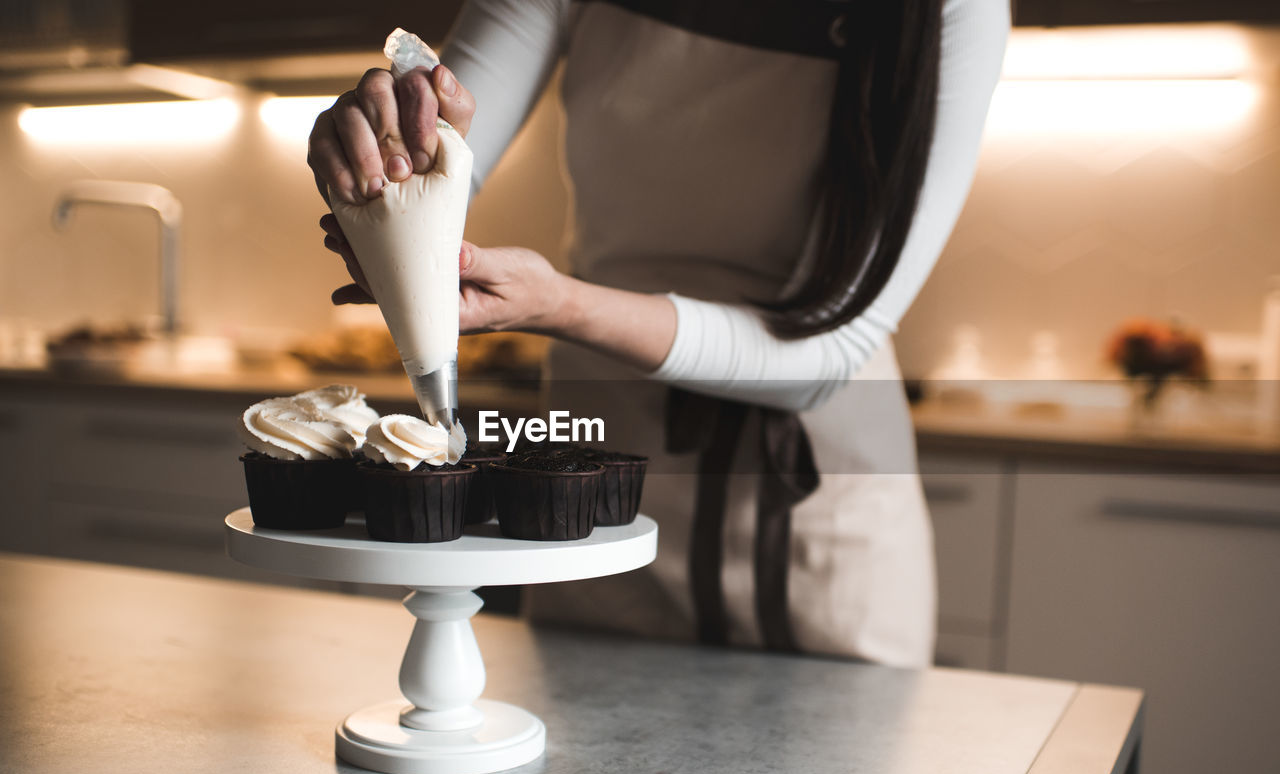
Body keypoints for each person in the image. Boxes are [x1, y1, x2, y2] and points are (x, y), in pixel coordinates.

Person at [309, 0, 1009, 666]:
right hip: (595, 492)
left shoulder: (954, 10)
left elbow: (827, 355)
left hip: (819, 521)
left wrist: (564, 305)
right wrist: (382, 170)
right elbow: (436, 159)